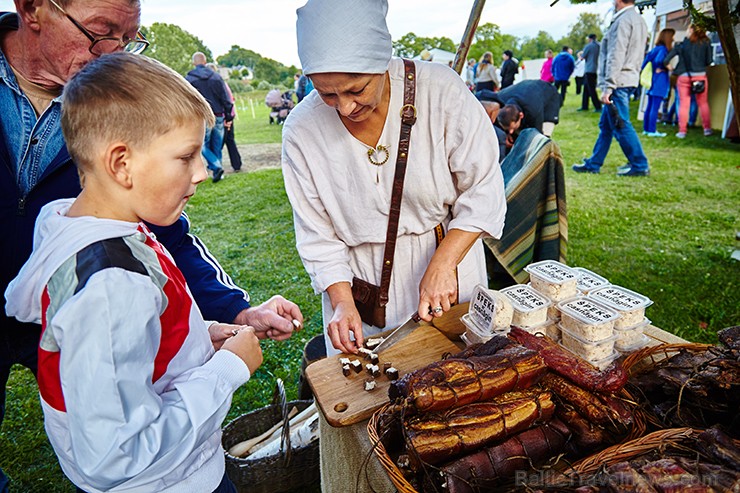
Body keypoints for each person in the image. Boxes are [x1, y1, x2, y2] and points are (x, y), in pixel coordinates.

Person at [0, 4, 302, 490]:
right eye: (186, 157)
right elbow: (117, 454)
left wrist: (204, 337)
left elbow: (138, 345)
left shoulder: (101, 230)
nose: (203, 171)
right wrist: (226, 370)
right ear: (121, 164)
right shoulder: (109, 283)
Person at [282, 0, 506, 356]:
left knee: (459, 384)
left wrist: (444, 264)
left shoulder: (441, 91)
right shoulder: (301, 130)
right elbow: (316, 233)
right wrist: (342, 303)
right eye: (327, 93)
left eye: (356, 90)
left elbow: (483, 189)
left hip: (447, 263)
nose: (345, 108)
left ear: (381, 63)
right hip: (361, 286)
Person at [572, 0, 649, 177]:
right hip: (627, 78)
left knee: (620, 124)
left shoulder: (622, 21)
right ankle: (594, 163)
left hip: (618, 81)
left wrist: (609, 86)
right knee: (606, 126)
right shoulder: (638, 19)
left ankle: (639, 164)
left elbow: (616, 54)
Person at [186, 52, 232, 183]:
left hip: (202, 117)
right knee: (217, 145)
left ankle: (216, 167)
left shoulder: (189, 80)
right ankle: (219, 170)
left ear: (194, 63)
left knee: (202, 145)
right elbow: (226, 99)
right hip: (218, 114)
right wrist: (228, 116)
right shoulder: (216, 77)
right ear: (205, 62)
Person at [667, 24, 714, 138]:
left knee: (684, 104)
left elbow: (666, 59)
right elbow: (709, 61)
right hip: (700, 76)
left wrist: (671, 68)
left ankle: (682, 131)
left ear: (691, 30)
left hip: (684, 77)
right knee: (703, 103)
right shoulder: (706, 43)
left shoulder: (683, 44)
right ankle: (707, 129)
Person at [477, 79, 561, 139]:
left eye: (512, 128)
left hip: (549, 97)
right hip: (524, 91)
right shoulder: (501, 98)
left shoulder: (534, 111)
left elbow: (536, 136)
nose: (511, 131)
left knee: (541, 139)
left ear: (521, 115)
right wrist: (506, 135)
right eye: (508, 129)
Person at [641, 28, 675, 137]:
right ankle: (652, 131)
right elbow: (660, 60)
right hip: (659, 81)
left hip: (652, 80)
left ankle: (646, 129)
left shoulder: (655, 49)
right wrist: (666, 68)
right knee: (655, 107)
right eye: (672, 37)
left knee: (650, 106)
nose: (673, 39)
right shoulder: (663, 50)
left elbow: (646, 62)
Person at [580, 34, 602, 111]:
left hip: (589, 69)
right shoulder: (600, 45)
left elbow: (582, 57)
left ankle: (597, 106)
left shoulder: (588, 46)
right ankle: (584, 105)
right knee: (586, 88)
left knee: (591, 89)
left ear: (589, 39)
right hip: (597, 69)